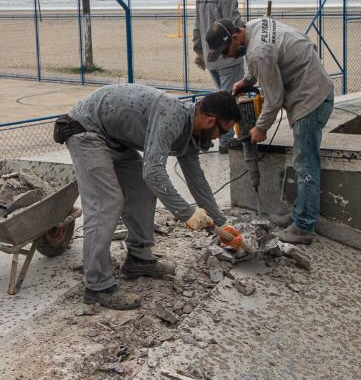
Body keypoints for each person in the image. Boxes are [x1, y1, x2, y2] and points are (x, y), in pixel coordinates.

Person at [60, 84, 242, 310]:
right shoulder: (172, 116)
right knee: (106, 203)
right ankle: (98, 285)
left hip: (114, 138)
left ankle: (139, 258)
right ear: (208, 120)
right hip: (86, 131)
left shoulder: (189, 132)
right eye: (222, 131)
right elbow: (153, 171)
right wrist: (186, 213)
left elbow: (197, 182)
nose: (220, 137)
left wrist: (221, 224)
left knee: (142, 189)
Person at [204, 16, 334, 245]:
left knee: (306, 165)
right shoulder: (256, 26)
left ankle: (304, 226)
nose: (226, 56)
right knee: (302, 160)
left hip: (310, 98)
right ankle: (298, 214)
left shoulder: (257, 52)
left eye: (226, 50)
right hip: (314, 84)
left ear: (235, 36)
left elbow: (274, 99)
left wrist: (260, 128)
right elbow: (266, 60)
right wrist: (247, 80)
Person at [191, 0, 248, 152]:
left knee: (220, 98)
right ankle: (227, 143)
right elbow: (234, 26)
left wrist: (199, 51)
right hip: (228, 58)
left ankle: (215, 136)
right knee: (230, 101)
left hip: (211, 58)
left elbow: (197, 27)